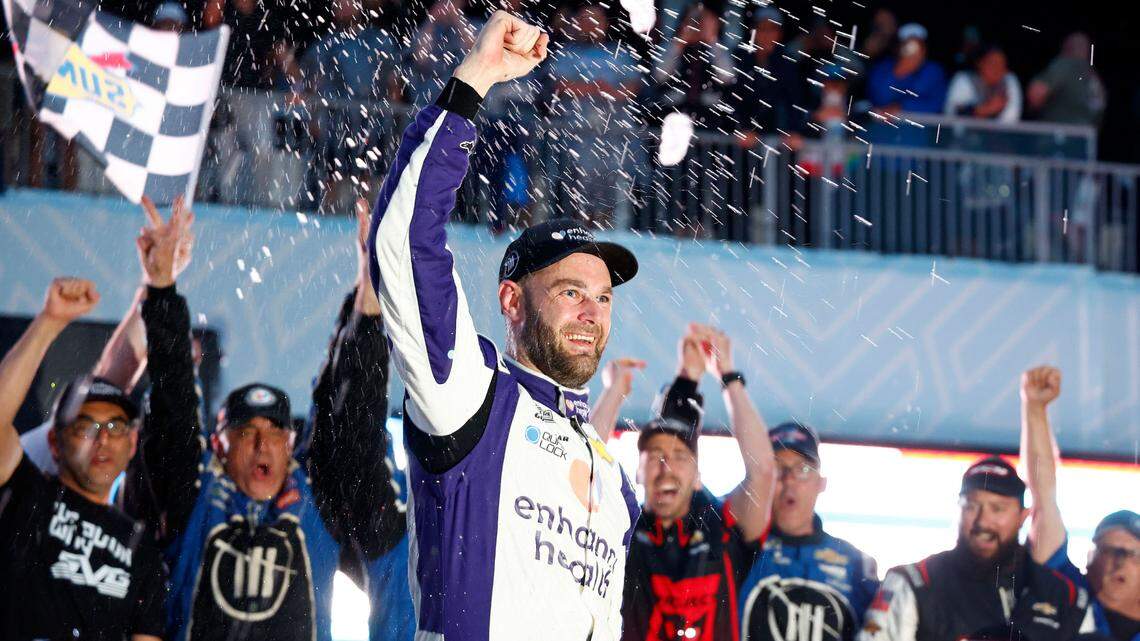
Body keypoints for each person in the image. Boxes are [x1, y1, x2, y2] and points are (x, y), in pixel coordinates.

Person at [368, 11, 642, 639]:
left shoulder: (613, 478)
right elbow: (407, 242)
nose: (591, 314)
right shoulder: (474, 394)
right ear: (513, 302)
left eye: (602, 299)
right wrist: (476, 79)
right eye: (571, 292)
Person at [136, 197, 403, 640]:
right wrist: (161, 290)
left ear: (289, 443)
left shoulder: (314, 500)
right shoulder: (196, 498)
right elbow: (173, 406)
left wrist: (368, 301)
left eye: (274, 433)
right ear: (219, 446)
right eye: (246, 433)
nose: (262, 445)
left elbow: (350, 414)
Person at [0, 277, 167, 641]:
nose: (103, 438)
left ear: (133, 442)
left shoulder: (142, 548)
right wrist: (50, 321)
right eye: (86, 426)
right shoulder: (25, 496)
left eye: (116, 426)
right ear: (55, 444)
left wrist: (157, 285)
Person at [614, 325, 777, 641]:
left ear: (698, 474)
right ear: (638, 470)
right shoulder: (622, 526)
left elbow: (764, 471)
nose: (666, 467)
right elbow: (580, 469)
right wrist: (612, 394)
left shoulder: (722, 526)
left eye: (679, 455)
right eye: (655, 454)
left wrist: (728, 377)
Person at [858, 455, 1093, 641]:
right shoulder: (914, 582)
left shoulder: (1067, 596)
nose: (982, 521)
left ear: (1023, 516)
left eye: (997, 508)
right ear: (957, 510)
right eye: (971, 506)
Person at [1019, 365, 1140, 641]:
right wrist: (1035, 408)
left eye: (1133, 554)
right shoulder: (1065, 592)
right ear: (1089, 559)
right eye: (1110, 550)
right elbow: (1043, 498)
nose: (1118, 563)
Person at [738, 422, 879, 641]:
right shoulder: (735, 549)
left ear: (821, 483)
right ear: (762, 480)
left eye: (803, 469)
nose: (789, 479)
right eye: (778, 468)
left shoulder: (857, 565)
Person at [1027, 32, 1106, 127]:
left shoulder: (1065, 65)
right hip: (1085, 137)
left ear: (1065, 47)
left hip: (1058, 136)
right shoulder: (1093, 76)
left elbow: (1035, 94)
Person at [866, 23, 946, 114]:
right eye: (907, 43)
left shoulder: (933, 71)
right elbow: (878, 98)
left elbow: (935, 104)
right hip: (881, 124)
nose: (912, 48)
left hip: (918, 125)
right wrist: (900, 70)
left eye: (917, 43)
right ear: (898, 46)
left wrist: (901, 106)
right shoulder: (882, 68)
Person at [945, 45, 1022, 123]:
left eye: (1002, 64)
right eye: (992, 63)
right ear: (980, 63)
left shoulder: (1008, 81)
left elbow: (1010, 120)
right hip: (964, 134)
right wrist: (987, 109)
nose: (998, 68)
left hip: (998, 134)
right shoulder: (964, 79)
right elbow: (953, 114)